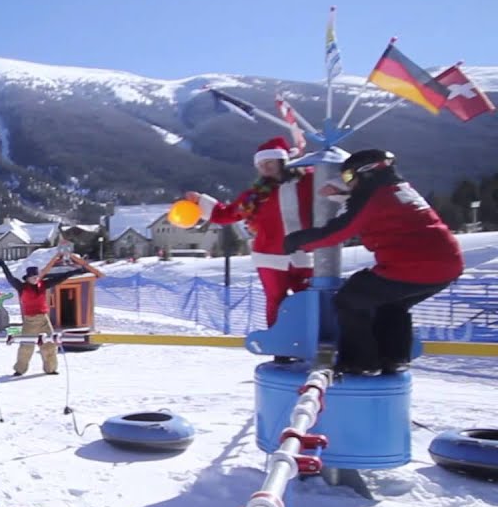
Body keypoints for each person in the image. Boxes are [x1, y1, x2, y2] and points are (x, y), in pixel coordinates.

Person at [283, 149, 463, 376]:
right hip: (447, 265)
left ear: (367, 172)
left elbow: (340, 230)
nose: (349, 183)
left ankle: (362, 362)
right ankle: (394, 357)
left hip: (413, 265)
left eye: (349, 177)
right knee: (391, 303)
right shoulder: (398, 189)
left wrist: (299, 241)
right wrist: (348, 196)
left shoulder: (373, 196)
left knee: (350, 300)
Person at [185, 137, 316, 339]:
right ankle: (279, 341)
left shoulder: (307, 183)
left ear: (283, 161)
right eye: (261, 165)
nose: (265, 168)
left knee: (308, 299)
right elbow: (225, 214)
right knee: (276, 300)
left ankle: (311, 337)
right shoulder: (254, 196)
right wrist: (199, 200)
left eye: (269, 162)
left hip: (304, 254)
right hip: (269, 256)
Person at [0, 255, 65, 376]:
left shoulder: (43, 285)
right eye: (33, 277)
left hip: (44, 319)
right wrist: (3, 265)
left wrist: (76, 271)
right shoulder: (21, 287)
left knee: (50, 345)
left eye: (37, 277)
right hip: (30, 320)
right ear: (28, 278)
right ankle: (20, 369)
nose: (36, 279)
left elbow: (59, 279)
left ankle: (51, 368)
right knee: (26, 346)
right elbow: (10, 278)